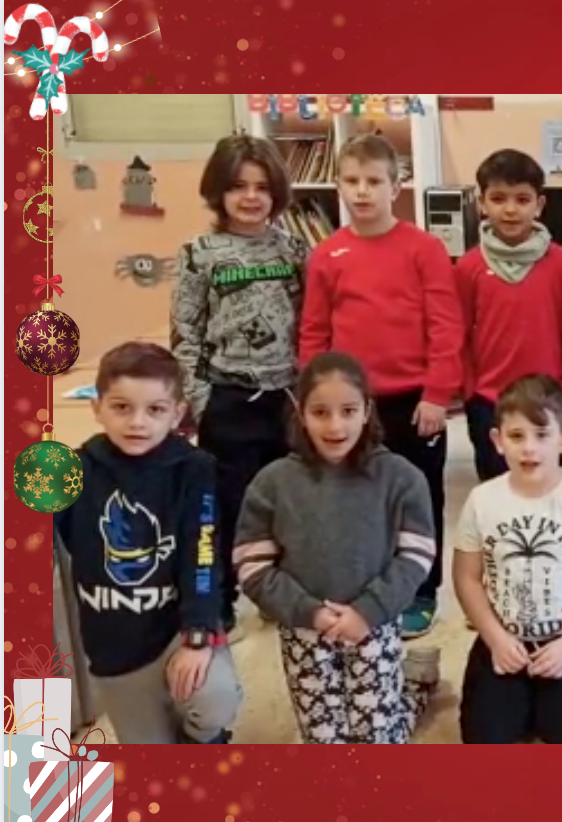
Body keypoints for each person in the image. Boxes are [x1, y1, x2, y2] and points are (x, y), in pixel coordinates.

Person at [298, 134, 464, 638]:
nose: (362, 191)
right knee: (353, 496)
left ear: (396, 186)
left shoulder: (424, 249)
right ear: (339, 185)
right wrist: (316, 401)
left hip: (414, 402)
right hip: (349, 406)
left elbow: (445, 326)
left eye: (373, 181)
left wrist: (437, 394)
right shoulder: (327, 254)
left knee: (417, 497)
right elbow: (314, 332)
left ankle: (421, 590)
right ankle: (363, 584)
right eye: (352, 181)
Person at [233, 352, 441, 744]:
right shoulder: (272, 483)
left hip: (374, 626)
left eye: (348, 411)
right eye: (320, 412)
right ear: (300, 413)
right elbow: (252, 564)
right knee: (325, 747)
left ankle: (415, 686)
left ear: (367, 411)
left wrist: (368, 611)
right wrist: (308, 612)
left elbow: (416, 556)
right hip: (304, 631)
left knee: (380, 741)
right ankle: (405, 687)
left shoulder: (401, 477)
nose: (335, 425)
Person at [53, 342, 242, 743]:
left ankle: (205, 741)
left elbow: (202, 555)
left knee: (216, 699)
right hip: (115, 648)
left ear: (176, 413)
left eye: (155, 409)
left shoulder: (195, 470)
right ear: (96, 407)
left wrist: (197, 637)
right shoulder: (72, 471)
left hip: (177, 630)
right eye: (122, 407)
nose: (137, 422)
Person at [171, 134, 308, 636]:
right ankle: (221, 598)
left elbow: (311, 322)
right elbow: (185, 333)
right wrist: (199, 401)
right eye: (238, 187)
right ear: (218, 192)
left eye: (262, 187)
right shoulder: (198, 254)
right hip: (227, 398)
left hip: (287, 399)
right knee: (227, 505)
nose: (251, 197)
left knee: (288, 504)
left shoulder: (295, 249)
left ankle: (279, 592)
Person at [453, 375, 562, 744]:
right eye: (516, 436)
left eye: (542, 435)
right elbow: (466, 577)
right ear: (498, 440)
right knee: (485, 738)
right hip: (505, 636)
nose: (529, 448)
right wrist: (495, 638)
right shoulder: (482, 499)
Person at [456, 148, 562, 483]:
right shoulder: (468, 267)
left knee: (550, 489)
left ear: (539, 205)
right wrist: (470, 391)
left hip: (549, 400)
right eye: (498, 199)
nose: (510, 209)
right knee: (497, 489)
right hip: (489, 401)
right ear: (482, 203)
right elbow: (459, 333)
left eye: (522, 200)